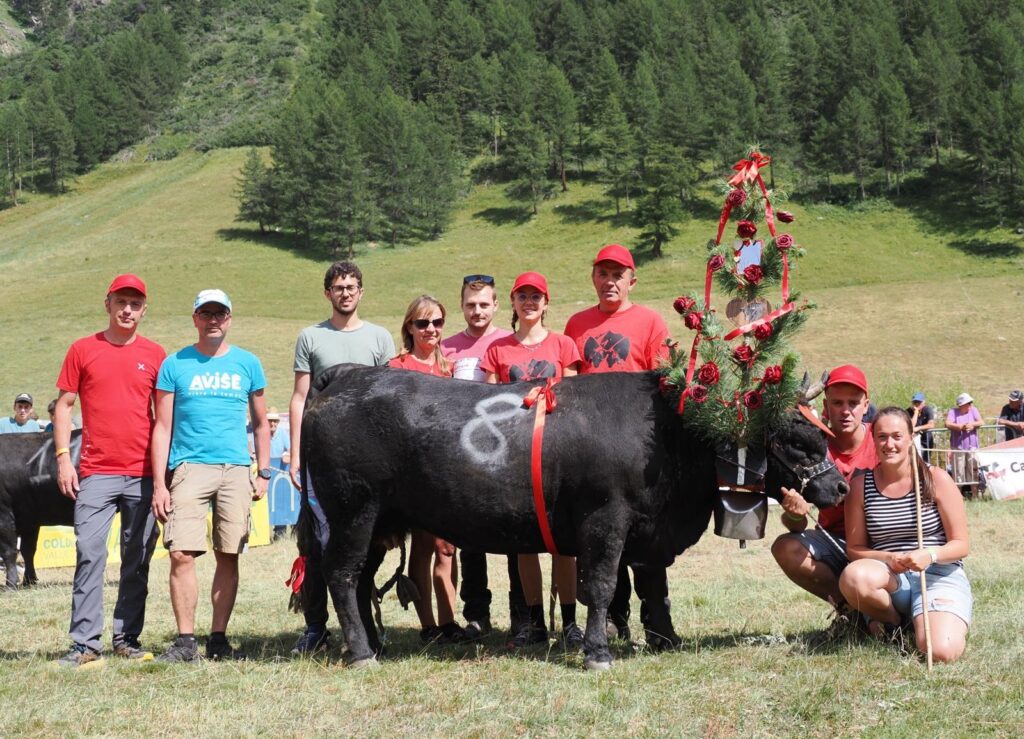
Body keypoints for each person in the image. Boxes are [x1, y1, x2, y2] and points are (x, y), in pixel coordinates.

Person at [151, 289, 271, 662]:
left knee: (228, 553)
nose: (214, 319)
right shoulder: (175, 364)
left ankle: (218, 639)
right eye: (207, 313)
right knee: (182, 554)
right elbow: (162, 427)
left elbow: (262, 422)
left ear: (230, 318)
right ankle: (186, 642)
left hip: (235, 468)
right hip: (189, 466)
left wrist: (263, 471)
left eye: (220, 313)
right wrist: (160, 483)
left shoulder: (248, 364)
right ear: (195, 319)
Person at [54, 273, 165, 668]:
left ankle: (126, 638)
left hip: (142, 474)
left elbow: (164, 420)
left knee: (137, 559)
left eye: (135, 303)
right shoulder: (83, 349)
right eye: (121, 301)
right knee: (89, 554)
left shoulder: (156, 355)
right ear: (108, 304)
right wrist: (64, 457)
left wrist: (162, 479)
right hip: (95, 472)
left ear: (144, 310)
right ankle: (85, 645)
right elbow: (65, 405)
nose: (128, 309)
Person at [563, 244, 670, 644]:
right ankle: (611, 618)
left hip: (636, 447)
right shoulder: (576, 324)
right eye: (603, 274)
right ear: (593, 278)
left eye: (618, 275)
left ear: (632, 281)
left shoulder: (650, 321)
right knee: (599, 535)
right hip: (593, 450)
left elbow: (662, 382)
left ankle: (657, 618)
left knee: (645, 534)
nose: (610, 282)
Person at [288, 261, 395, 655]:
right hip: (322, 454)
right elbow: (301, 398)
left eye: (351, 286)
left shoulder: (380, 338)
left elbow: (388, 402)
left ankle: (362, 625)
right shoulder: (310, 338)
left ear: (361, 292)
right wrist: (298, 455)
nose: (345, 292)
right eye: (338, 287)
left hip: (369, 460)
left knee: (367, 542)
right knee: (316, 540)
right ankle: (316, 627)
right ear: (327, 293)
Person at [480, 271, 584, 649]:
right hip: (515, 457)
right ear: (513, 302)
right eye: (523, 296)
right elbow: (487, 404)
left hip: (557, 454)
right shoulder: (498, 350)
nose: (530, 302)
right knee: (525, 541)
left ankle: (571, 623)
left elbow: (572, 399)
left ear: (546, 302)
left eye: (536, 296)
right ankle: (534, 622)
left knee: (564, 541)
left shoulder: (564, 345)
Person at [839, 407, 971, 662]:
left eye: (897, 436)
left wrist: (930, 555)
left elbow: (962, 544)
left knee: (940, 652)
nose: (889, 444)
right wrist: (888, 558)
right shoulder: (859, 487)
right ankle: (895, 623)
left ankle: (930, 620)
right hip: (890, 578)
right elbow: (854, 549)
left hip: (938, 575)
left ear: (910, 437)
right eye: (882, 437)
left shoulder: (936, 479)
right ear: (873, 440)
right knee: (854, 577)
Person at [440, 275, 522, 640]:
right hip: (461, 454)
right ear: (462, 306)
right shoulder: (447, 347)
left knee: (517, 536)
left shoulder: (507, 342)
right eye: (471, 305)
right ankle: (477, 614)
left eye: (484, 304)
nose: (478, 311)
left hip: (508, 450)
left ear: (496, 306)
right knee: (470, 537)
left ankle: (523, 614)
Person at [771, 364, 878, 623]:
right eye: (837, 403)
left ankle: (880, 611)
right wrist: (794, 514)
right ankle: (852, 613)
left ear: (866, 405)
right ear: (826, 408)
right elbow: (797, 524)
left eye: (853, 402)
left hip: (879, 544)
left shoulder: (883, 439)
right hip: (835, 542)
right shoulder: (809, 449)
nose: (845, 410)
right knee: (786, 547)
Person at [389, 295, 466, 644]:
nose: (430, 330)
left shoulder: (450, 368)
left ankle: (450, 620)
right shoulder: (396, 368)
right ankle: (428, 625)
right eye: (422, 323)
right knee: (421, 547)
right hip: (413, 472)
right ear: (410, 327)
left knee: (447, 548)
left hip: (448, 470)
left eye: (437, 323)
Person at [946, 392, 982, 498]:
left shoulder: (974, 410)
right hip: (958, 447)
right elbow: (947, 423)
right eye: (969, 403)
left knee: (973, 470)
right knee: (958, 472)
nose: (971, 404)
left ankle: (975, 496)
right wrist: (960, 426)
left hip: (973, 447)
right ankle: (957, 497)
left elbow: (981, 421)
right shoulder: (953, 412)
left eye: (971, 402)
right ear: (962, 404)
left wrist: (973, 425)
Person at [267, 407, 291, 541]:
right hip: (264, 474)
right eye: (270, 421)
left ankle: (279, 533)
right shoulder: (261, 433)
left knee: (280, 503)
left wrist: (288, 454)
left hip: (279, 476)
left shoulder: (282, 433)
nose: (272, 424)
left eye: (275, 421)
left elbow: (291, 450)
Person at [906, 392, 936, 456]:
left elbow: (931, 425)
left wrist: (918, 428)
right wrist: (916, 413)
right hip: (913, 440)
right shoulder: (908, 411)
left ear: (923, 402)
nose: (916, 404)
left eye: (919, 402)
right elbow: (910, 426)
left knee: (925, 460)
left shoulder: (928, 410)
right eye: (915, 402)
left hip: (926, 440)